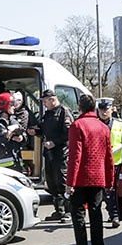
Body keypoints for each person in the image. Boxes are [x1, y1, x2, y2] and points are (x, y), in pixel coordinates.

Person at [65, 94, 113, 245]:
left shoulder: (77, 126)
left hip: (80, 179)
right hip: (98, 179)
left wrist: (69, 183)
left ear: (79, 107)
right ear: (94, 108)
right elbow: (109, 157)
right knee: (96, 216)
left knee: (78, 217)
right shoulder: (103, 127)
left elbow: (75, 157)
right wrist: (110, 181)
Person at [39, 89, 74, 222]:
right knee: (52, 183)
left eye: (45, 101)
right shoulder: (47, 114)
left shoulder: (64, 112)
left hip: (61, 153)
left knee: (62, 182)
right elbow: (43, 128)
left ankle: (68, 211)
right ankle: (58, 210)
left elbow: (69, 134)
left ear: (53, 100)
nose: (44, 104)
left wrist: (55, 142)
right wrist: (35, 130)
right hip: (49, 153)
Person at [97, 98, 122, 229]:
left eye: (106, 109)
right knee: (104, 191)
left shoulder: (120, 125)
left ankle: (114, 215)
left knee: (112, 190)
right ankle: (112, 213)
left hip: (116, 162)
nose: (104, 112)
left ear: (112, 109)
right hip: (99, 162)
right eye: (101, 110)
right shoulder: (95, 124)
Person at [0, 92, 25, 172]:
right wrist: (5, 135)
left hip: (17, 164)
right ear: (4, 105)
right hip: (2, 167)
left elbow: (24, 135)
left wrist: (22, 138)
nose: (14, 106)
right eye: (12, 104)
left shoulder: (14, 120)